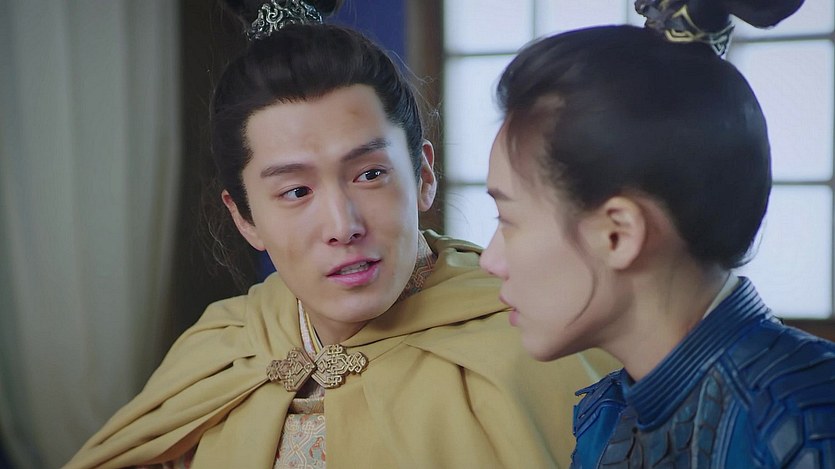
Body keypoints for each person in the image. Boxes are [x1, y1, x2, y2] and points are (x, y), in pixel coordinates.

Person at [64, 1, 618, 468]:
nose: (343, 226)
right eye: (295, 191)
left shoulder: (536, 343)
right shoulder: (222, 348)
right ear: (244, 218)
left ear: (423, 175)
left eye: (370, 175)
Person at [479, 0, 835, 467]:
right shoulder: (605, 416)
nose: (490, 260)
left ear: (618, 233)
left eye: (508, 220)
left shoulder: (807, 425)